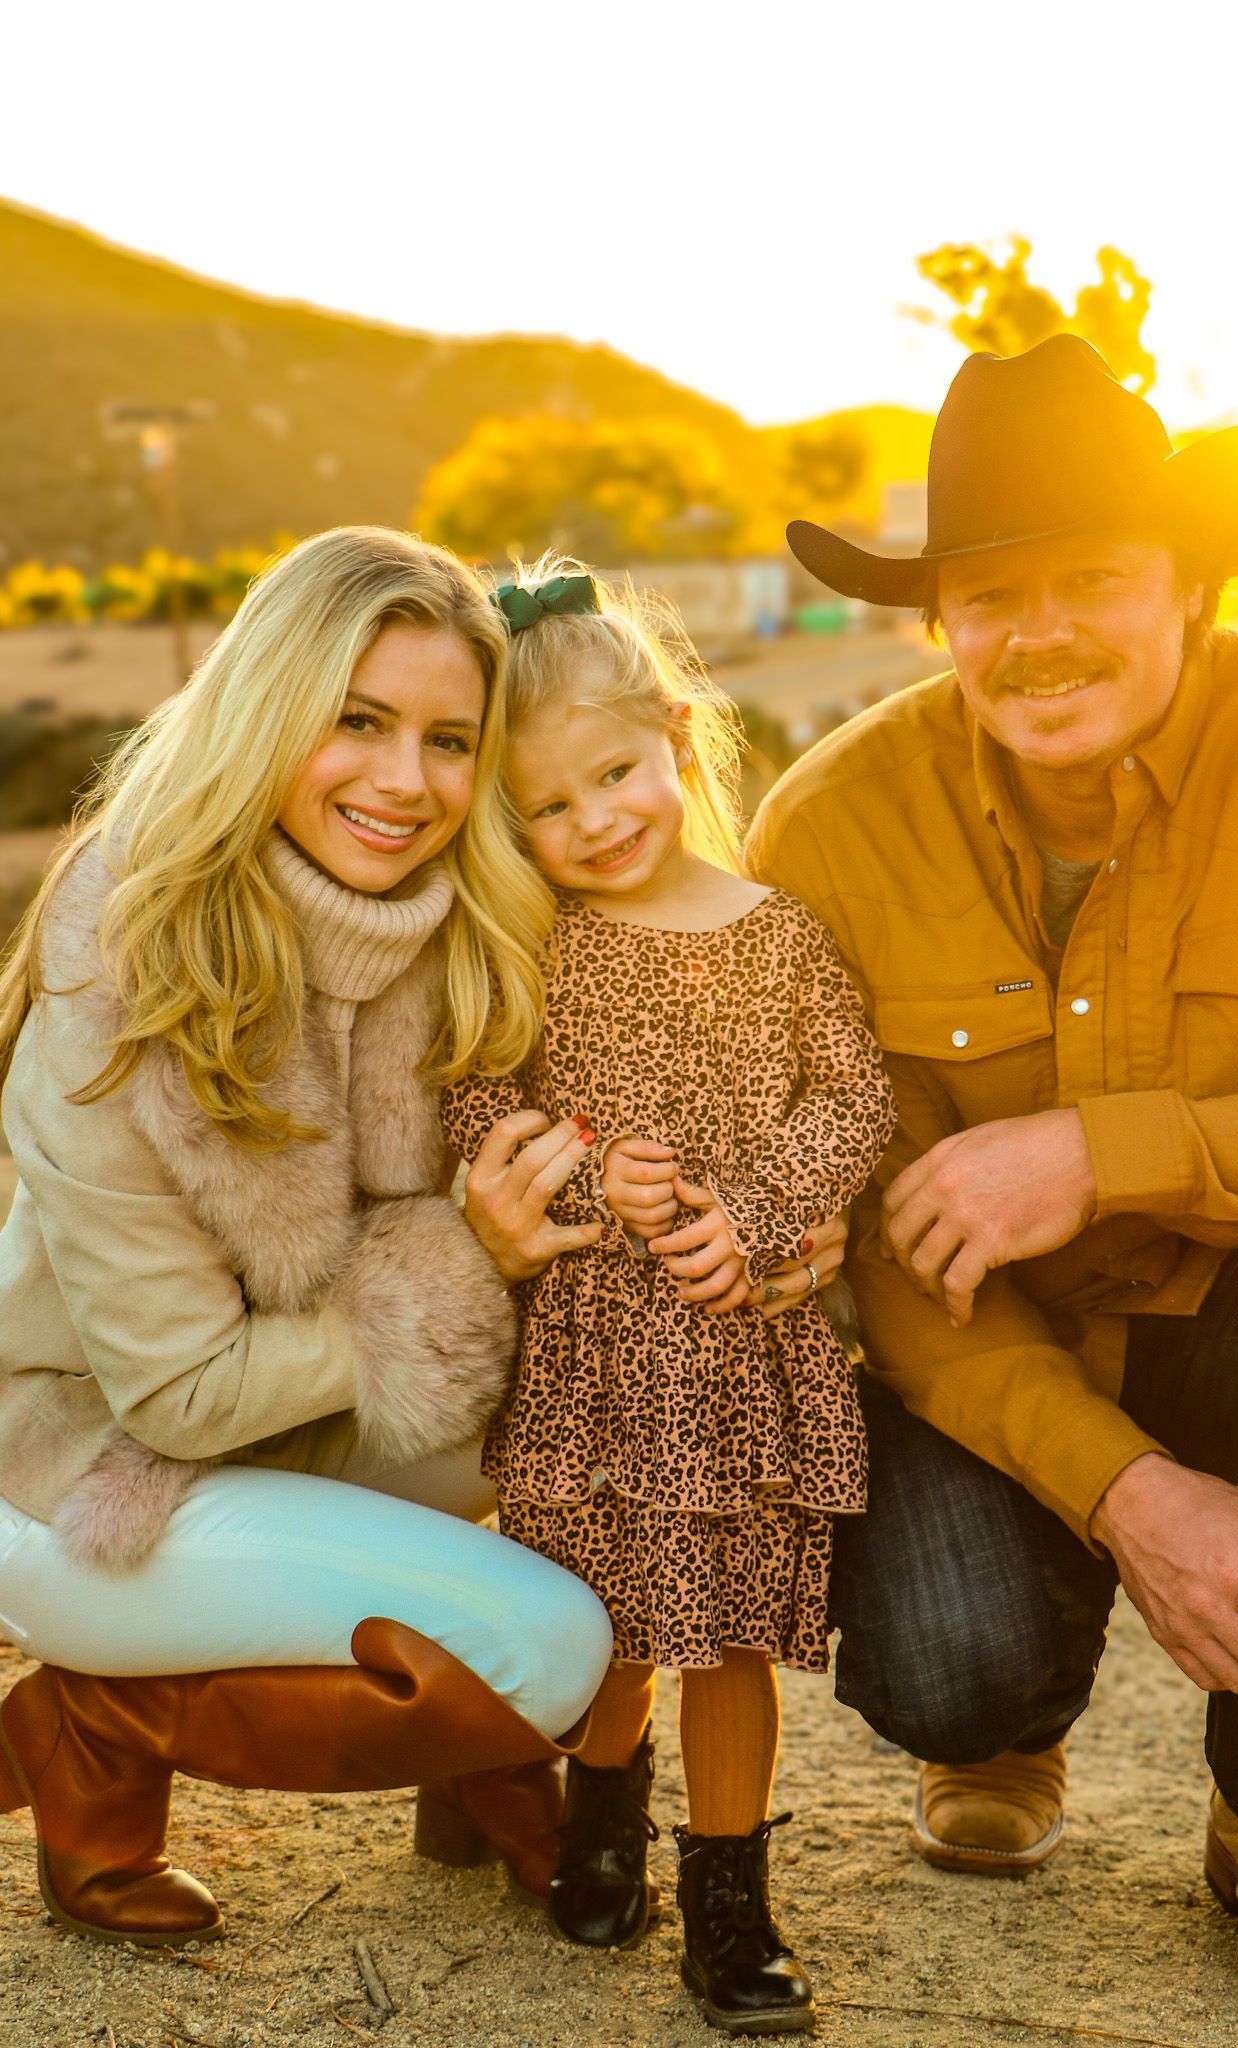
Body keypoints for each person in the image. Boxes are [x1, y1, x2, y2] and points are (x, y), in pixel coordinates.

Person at [747, 336, 1238, 2015]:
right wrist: (1124, 1490)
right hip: (987, 1363)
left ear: (1195, 589)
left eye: (1090, 577)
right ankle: (1016, 1719)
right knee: (948, 1672)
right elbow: (858, 1243)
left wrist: (1109, 1150)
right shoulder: (823, 833)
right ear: (939, 619)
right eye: (989, 594)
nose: (1039, 636)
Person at [0, 526, 626, 1950]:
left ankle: (476, 1786)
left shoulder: (466, 931)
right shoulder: (122, 967)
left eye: (450, 740)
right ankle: (85, 1730)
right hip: (91, 1474)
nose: (406, 782)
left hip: (315, 1430)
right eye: (358, 722)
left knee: (633, 1463)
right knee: (550, 1646)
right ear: (268, 708)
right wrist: (468, 1263)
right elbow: (177, 1394)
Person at [440, 563, 895, 2036]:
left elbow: (852, 1100)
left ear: (680, 743)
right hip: (593, 1358)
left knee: (735, 1634)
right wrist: (584, 1180)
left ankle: (732, 1894)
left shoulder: (779, 932)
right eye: (548, 810)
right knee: (612, 1624)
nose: (595, 823)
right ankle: (602, 1815)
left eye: (616, 775)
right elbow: (476, 1117)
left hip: (733, 1350)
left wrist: (753, 1213)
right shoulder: (535, 948)